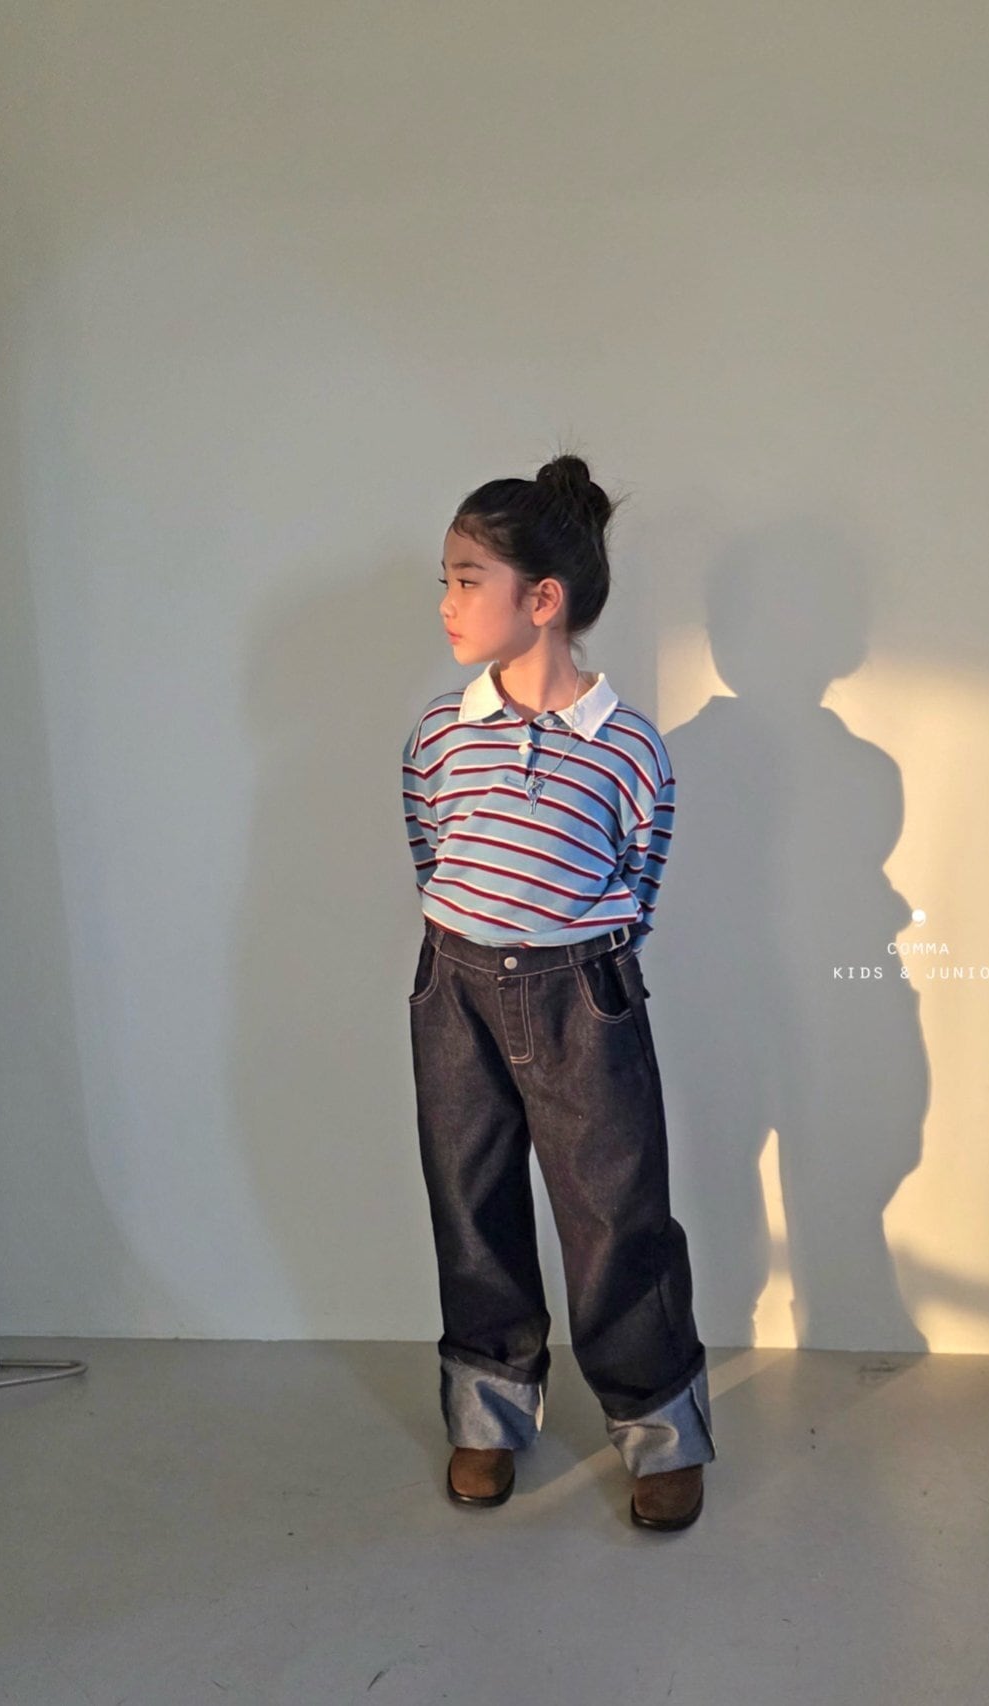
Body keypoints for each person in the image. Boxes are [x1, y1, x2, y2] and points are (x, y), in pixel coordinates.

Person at [400, 453, 715, 1531]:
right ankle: (486, 1416)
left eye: (467, 579)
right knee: (471, 1203)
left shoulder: (628, 748)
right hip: (454, 991)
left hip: (583, 995)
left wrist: (566, 957)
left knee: (617, 1217)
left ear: (542, 600)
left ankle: (661, 1430)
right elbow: (431, 847)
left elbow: (637, 881)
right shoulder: (438, 734)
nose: (447, 602)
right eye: (445, 579)